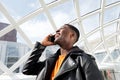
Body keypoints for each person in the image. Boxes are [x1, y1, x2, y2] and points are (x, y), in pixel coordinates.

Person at [22, 24, 104, 80]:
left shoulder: (84, 60)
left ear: (71, 35)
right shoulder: (50, 61)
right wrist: (42, 45)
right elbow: (27, 70)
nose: (57, 30)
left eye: (62, 28)